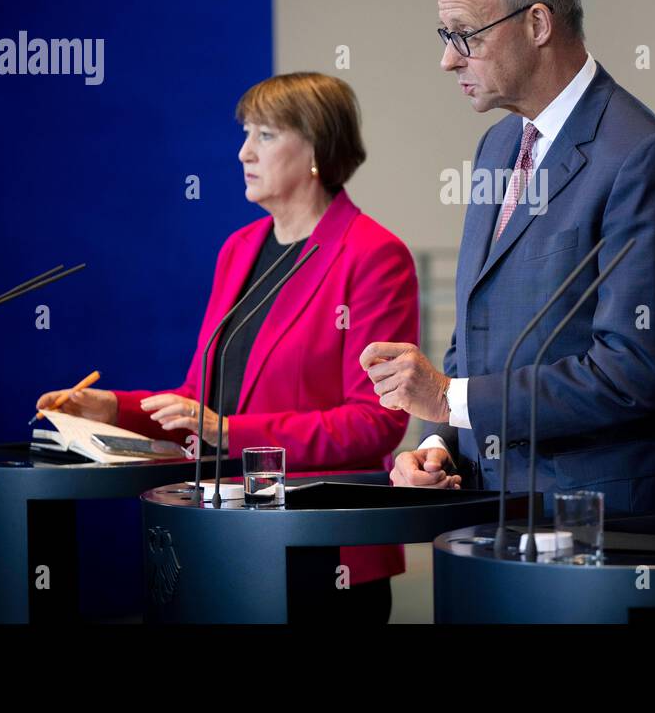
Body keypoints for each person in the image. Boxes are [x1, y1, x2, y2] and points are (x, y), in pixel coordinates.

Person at [37, 71, 417, 621]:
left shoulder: (372, 255)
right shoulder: (239, 249)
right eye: (245, 134)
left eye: (264, 135)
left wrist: (227, 432)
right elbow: (201, 398)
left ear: (315, 146)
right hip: (223, 535)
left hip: (320, 546)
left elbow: (375, 422)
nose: (243, 152)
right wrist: (114, 409)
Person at [360, 0, 655, 517]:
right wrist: (440, 442)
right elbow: (477, 333)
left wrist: (448, 398)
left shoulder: (641, 157)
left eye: (465, 35)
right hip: (487, 512)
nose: (448, 59)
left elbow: (629, 373)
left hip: (601, 525)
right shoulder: (498, 146)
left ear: (537, 24)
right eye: (446, 37)